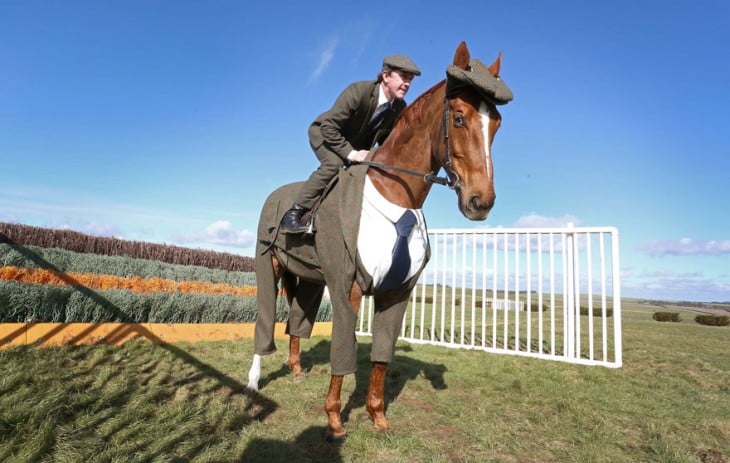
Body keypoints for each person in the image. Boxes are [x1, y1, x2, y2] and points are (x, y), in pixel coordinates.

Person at [279, 54, 421, 233]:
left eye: (410, 79)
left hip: (355, 146)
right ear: (385, 76)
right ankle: (293, 213)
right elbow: (329, 127)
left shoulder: (399, 107)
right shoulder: (358, 91)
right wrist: (352, 154)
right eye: (403, 77)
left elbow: (388, 141)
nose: (407, 84)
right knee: (334, 164)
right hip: (325, 134)